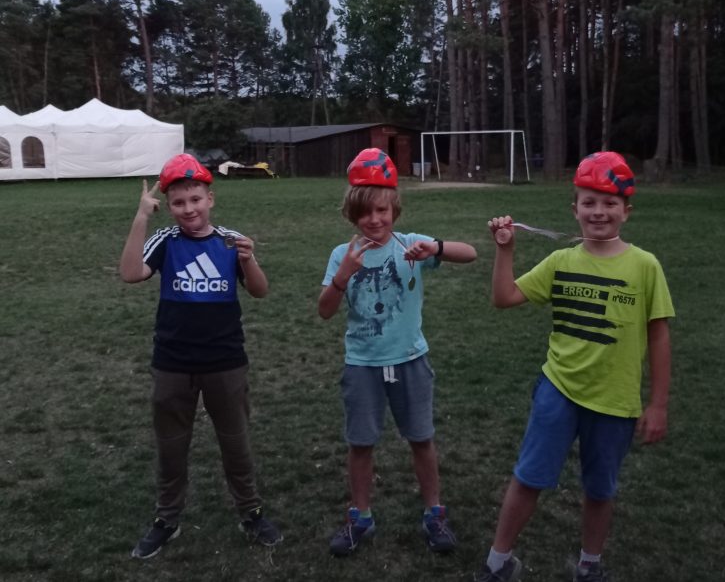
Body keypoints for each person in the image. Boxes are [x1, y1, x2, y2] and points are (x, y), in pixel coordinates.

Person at [475, 151, 674, 582]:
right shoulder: (560, 262)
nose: (599, 211)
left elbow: (659, 335)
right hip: (558, 391)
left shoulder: (645, 266)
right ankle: (498, 562)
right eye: (589, 202)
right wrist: (505, 251)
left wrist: (658, 403)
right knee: (529, 477)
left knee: (600, 489)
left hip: (615, 401)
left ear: (626, 211)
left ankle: (589, 565)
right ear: (575, 209)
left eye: (609, 203)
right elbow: (504, 298)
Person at [119, 153, 281, 559]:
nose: (188, 209)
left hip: (225, 362)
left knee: (236, 443)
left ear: (211, 198)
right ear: (169, 206)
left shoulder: (229, 241)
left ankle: (251, 511)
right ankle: (166, 519)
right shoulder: (166, 241)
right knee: (171, 446)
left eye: (195, 199)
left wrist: (250, 259)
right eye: (178, 202)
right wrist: (141, 217)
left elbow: (260, 291)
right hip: (173, 363)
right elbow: (131, 273)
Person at [318, 147, 477, 557]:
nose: (374, 220)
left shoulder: (411, 245)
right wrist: (342, 276)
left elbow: (470, 254)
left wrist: (435, 248)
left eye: (382, 210)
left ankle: (434, 513)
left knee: (421, 438)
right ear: (352, 214)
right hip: (362, 365)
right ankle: (360, 517)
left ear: (394, 209)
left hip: (410, 360)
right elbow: (324, 311)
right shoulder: (341, 255)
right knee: (361, 443)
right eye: (365, 212)